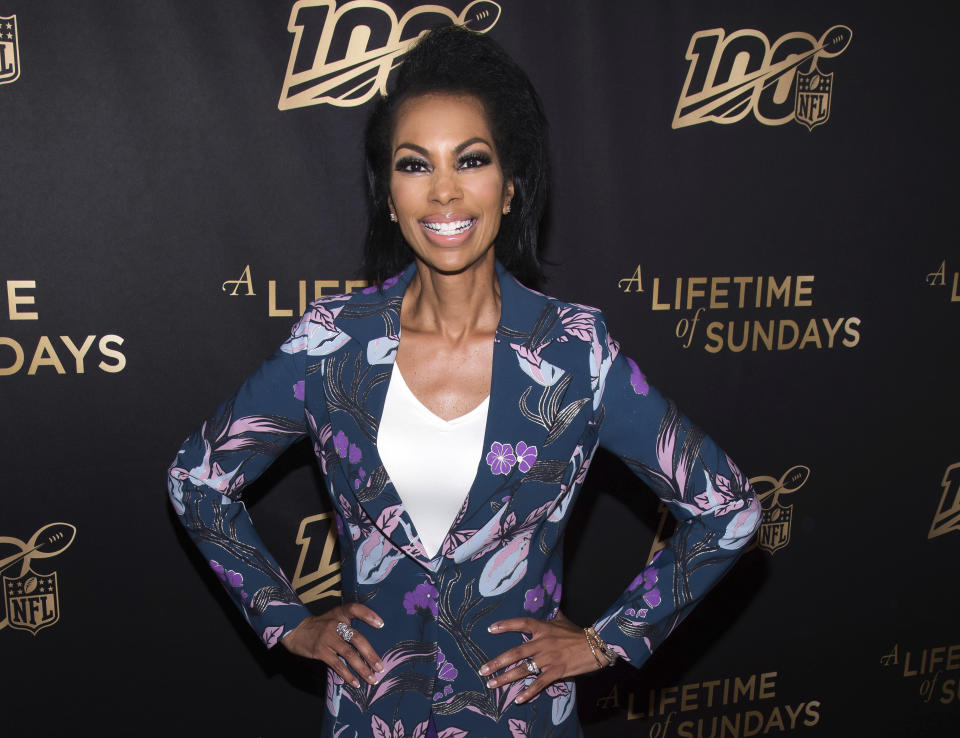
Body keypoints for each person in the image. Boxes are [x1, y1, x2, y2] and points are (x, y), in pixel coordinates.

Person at [168, 25, 760, 738]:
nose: (444, 191)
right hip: (371, 713)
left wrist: (606, 639)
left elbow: (727, 507)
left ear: (510, 187)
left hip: (519, 716)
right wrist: (287, 621)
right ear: (387, 196)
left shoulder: (575, 353)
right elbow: (196, 480)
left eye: (470, 160)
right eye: (414, 166)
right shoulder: (330, 344)